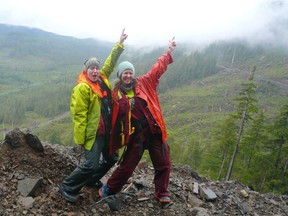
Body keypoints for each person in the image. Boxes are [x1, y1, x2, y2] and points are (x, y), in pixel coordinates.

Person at [98, 37, 176, 208]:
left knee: (163, 162)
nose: (128, 75)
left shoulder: (145, 83)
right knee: (127, 166)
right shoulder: (116, 94)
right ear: (120, 75)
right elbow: (111, 114)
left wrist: (168, 51)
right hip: (135, 135)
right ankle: (109, 188)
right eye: (124, 73)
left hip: (155, 130)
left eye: (130, 72)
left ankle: (162, 193)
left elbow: (157, 69)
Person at [59, 29, 128, 203]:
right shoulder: (83, 88)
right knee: (91, 164)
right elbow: (79, 115)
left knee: (111, 158)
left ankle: (90, 180)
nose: (95, 71)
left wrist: (119, 44)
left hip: (107, 131)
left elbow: (110, 63)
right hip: (94, 133)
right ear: (86, 70)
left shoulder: (102, 80)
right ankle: (67, 187)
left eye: (97, 68)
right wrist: (81, 139)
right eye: (92, 68)